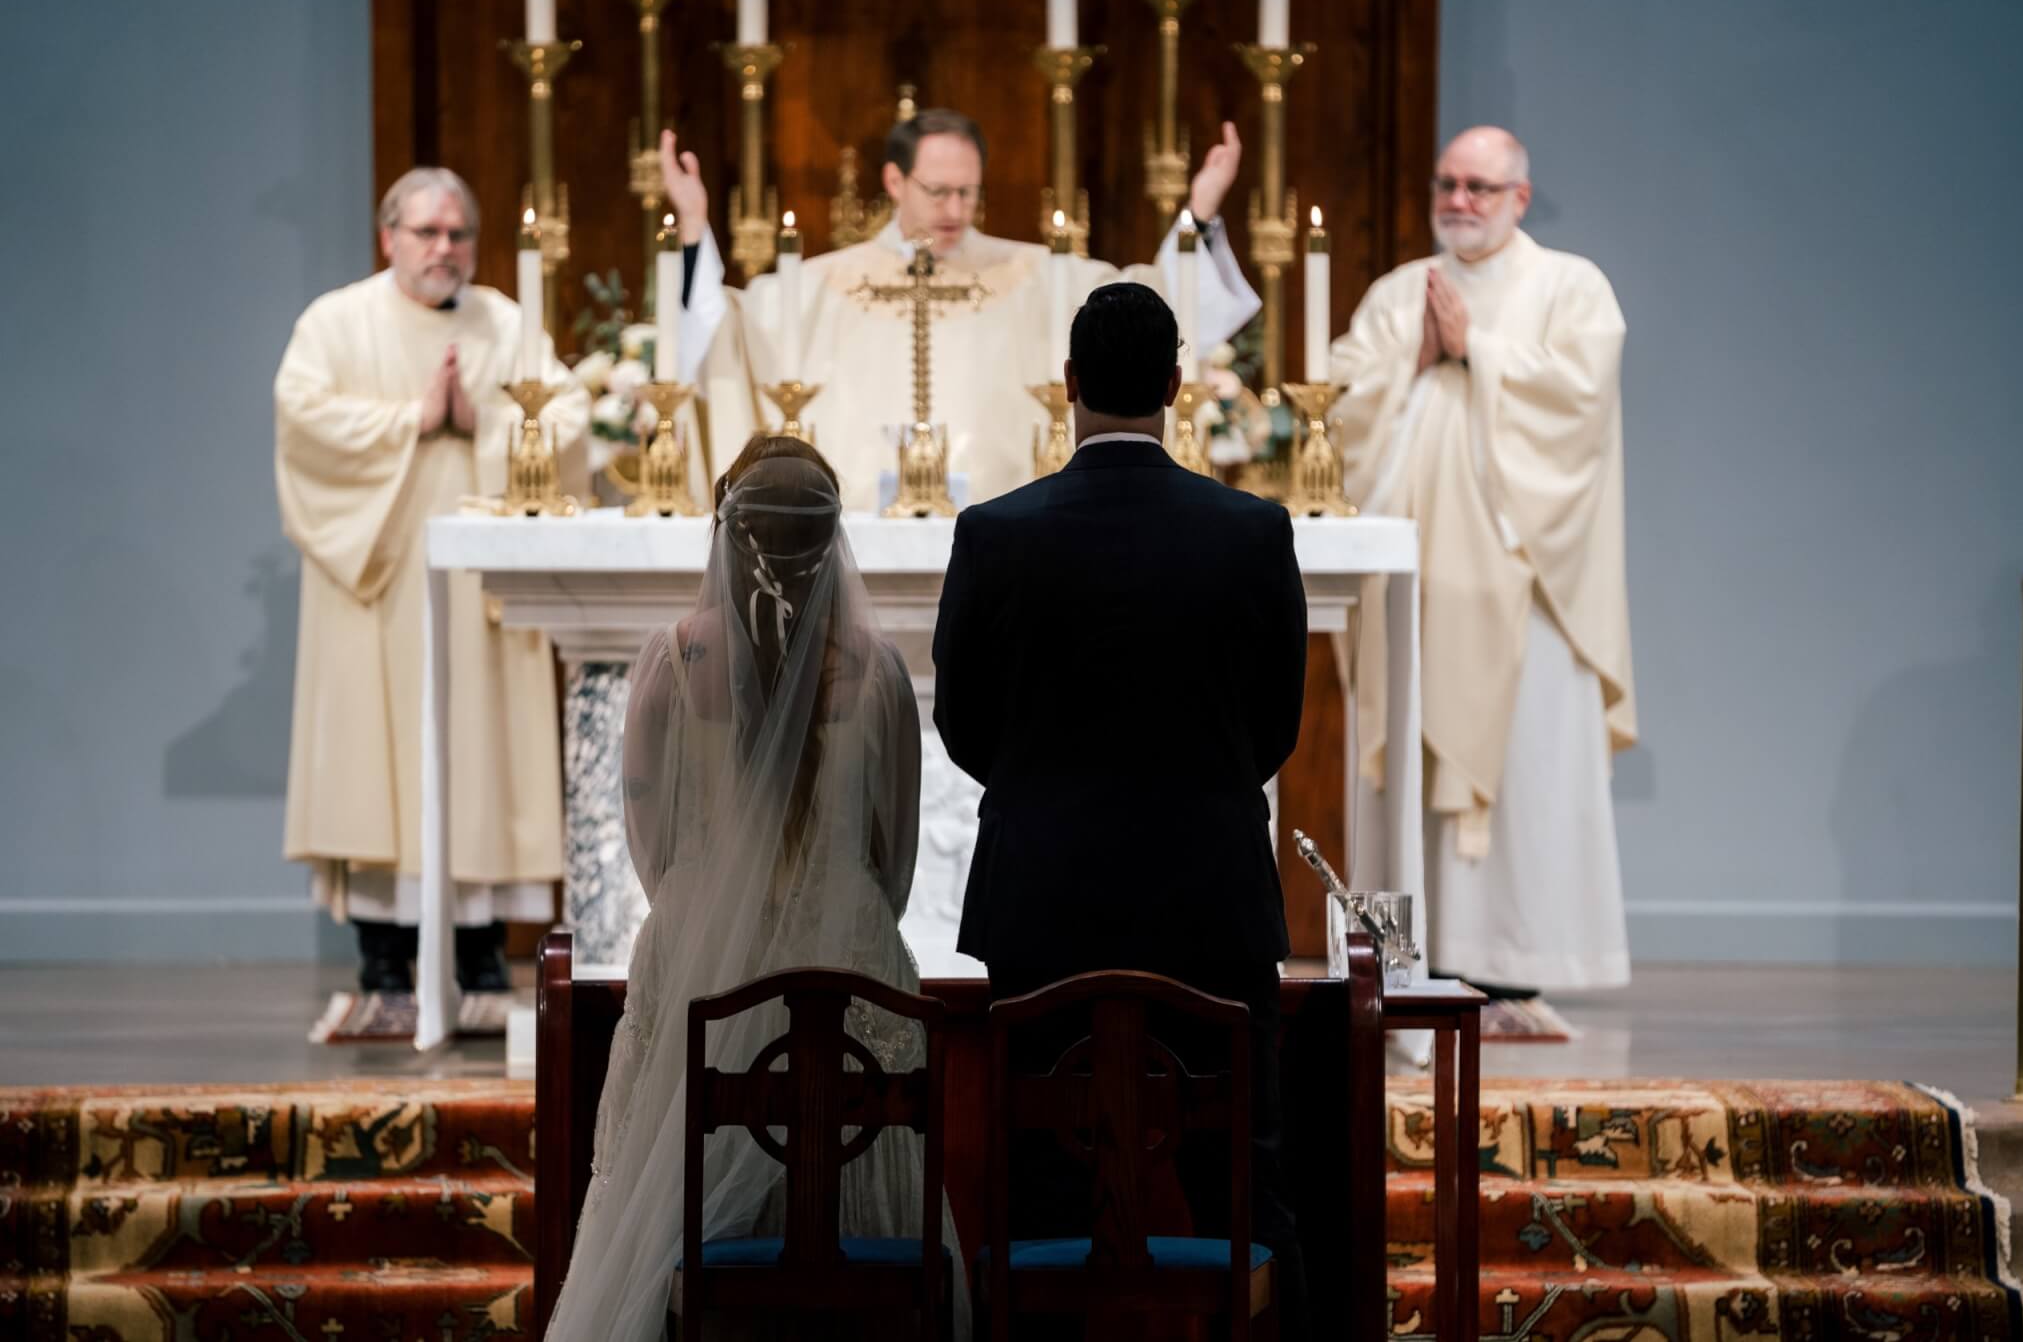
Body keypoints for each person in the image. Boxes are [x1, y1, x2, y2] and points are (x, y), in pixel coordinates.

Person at [932, 283, 1310, 1336]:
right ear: (1176, 386)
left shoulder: (996, 533)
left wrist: (1043, 796)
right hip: (1211, 903)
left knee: (1039, 1173)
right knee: (1245, 1175)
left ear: (1068, 384)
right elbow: (1275, 724)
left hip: (1043, 904)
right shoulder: (1251, 531)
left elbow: (962, 722)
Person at [546, 437, 961, 1340]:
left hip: (700, 950)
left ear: (726, 533)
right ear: (830, 542)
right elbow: (894, 855)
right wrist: (837, 905)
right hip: (848, 947)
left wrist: (711, 908)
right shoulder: (881, 672)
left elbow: (649, 842)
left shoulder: (671, 662)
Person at [1328, 125, 1635, 996]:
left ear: (1520, 198)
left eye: (1479, 187)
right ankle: (1398, 967)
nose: (1458, 201)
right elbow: (1339, 406)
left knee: (1526, 770)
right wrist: (1416, 355)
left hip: (1522, 585)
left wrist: (1479, 351)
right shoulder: (1400, 294)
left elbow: (1581, 400)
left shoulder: (1571, 287)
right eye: (1447, 184)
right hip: (1410, 589)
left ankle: (1516, 967)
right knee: (1403, 768)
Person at [274, 167, 587, 993]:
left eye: (458, 234)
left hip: (479, 586)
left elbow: (571, 417)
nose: (444, 248)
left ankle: (481, 947)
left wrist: (482, 422)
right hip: (376, 577)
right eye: (426, 233)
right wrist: (411, 419)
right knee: (377, 760)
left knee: (480, 753)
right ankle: (384, 950)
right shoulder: (336, 322)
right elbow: (303, 417)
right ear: (389, 238)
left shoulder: (505, 324)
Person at [658, 109, 1260, 511]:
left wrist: (1199, 215)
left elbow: (1150, 303)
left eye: (968, 192)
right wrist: (691, 231)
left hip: (1009, 525)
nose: (955, 209)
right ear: (895, 181)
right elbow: (721, 330)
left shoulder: (1033, 274)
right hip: (859, 528)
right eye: (938, 191)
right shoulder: (817, 284)